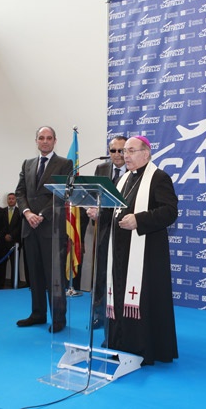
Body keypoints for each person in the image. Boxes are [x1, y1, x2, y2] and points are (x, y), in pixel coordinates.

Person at [87, 136, 178, 365]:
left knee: (143, 300)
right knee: (119, 295)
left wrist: (139, 220)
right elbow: (115, 211)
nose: (124, 155)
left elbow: (170, 211)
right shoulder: (123, 179)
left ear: (146, 153)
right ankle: (120, 343)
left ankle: (142, 348)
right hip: (120, 252)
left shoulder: (159, 178)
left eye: (130, 151)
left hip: (147, 254)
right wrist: (100, 213)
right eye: (123, 151)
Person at [15, 126, 73, 333]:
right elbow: (20, 192)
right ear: (36, 141)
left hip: (51, 228)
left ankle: (58, 318)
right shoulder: (27, 163)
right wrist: (27, 213)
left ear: (55, 141)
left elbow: (63, 193)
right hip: (29, 227)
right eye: (41, 138)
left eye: (49, 138)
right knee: (35, 275)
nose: (45, 141)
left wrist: (41, 215)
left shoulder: (65, 164)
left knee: (54, 277)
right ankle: (38, 314)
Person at [90, 135, 127, 328]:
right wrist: (92, 209)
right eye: (113, 150)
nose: (117, 154)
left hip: (125, 229)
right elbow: (96, 196)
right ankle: (99, 314)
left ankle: (121, 316)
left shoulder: (134, 169)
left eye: (122, 150)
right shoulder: (101, 168)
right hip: (104, 228)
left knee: (120, 274)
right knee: (101, 274)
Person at [5, 192, 27, 288]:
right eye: (9, 198)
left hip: (15, 242)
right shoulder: (2, 211)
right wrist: (5, 235)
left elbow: (20, 226)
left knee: (15, 263)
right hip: (3, 241)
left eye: (12, 198)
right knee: (2, 264)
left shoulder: (20, 211)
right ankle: (1, 282)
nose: (11, 200)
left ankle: (15, 282)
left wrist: (11, 235)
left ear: (16, 200)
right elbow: (1, 225)